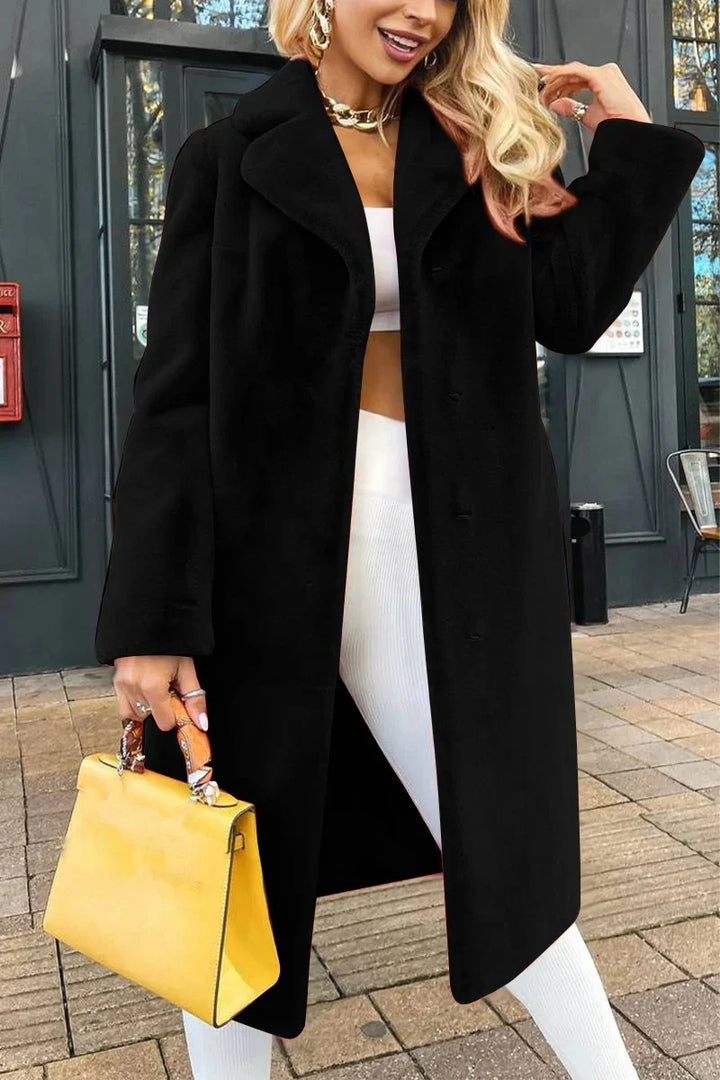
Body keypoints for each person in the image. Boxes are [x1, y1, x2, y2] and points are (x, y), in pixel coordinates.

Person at [96, 0, 705, 1077]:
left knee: (508, 854)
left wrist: (626, 137)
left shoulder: (466, 143)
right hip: (267, 564)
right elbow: (174, 402)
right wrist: (151, 616)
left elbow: (567, 305)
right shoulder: (228, 157)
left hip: (459, 543)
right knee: (231, 872)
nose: (423, 11)